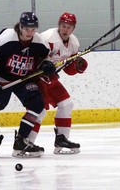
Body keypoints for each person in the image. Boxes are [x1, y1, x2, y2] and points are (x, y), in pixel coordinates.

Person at [0, 12, 56, 158]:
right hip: (1, 77)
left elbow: (46, 58)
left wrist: (47, 66)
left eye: (33, 29)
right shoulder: (5, 39)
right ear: (20, 26)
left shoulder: (40, 42)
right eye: (26, 28)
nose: (30, 32)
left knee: (37, 104)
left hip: (24, 79)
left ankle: (21, 141)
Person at [28, 12, 88, 154]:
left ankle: (62, 138)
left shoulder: (74, 42)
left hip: (51, 78)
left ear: (73, 29)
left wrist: (78, 66)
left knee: (67, 104)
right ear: (59, 25)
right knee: (39, 110)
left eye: (69, 27)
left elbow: (69, 69)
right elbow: (32, 57)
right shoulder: (48, 38)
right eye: (63, 26)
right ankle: (26, 142)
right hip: (36, 77)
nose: (65, 29)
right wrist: (43, 64)